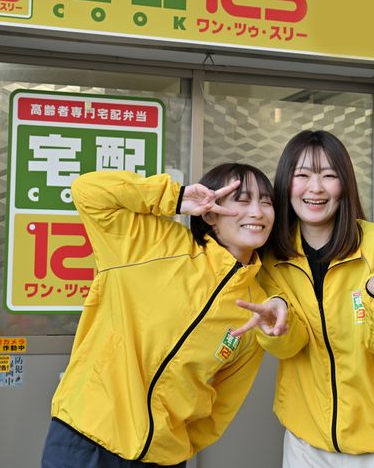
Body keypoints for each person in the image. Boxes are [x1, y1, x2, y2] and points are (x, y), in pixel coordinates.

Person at [42, 164, 293, 468]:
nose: (257, 212)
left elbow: (226, 402)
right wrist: (175, 196)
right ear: (210, 214)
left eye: (266, 202)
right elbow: (87, 191)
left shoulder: (256, 306)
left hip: (163, 457)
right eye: (242, 200)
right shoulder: (152, 244)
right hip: (86, 437)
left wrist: (176, 446)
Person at [238, 130, 374, 467]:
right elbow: (290, 347)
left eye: (329, 175)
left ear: (345, 184)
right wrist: (274, 326)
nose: (316, 188)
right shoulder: (271, 256)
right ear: (286, 183)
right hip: (306, 441)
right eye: (302, 176)